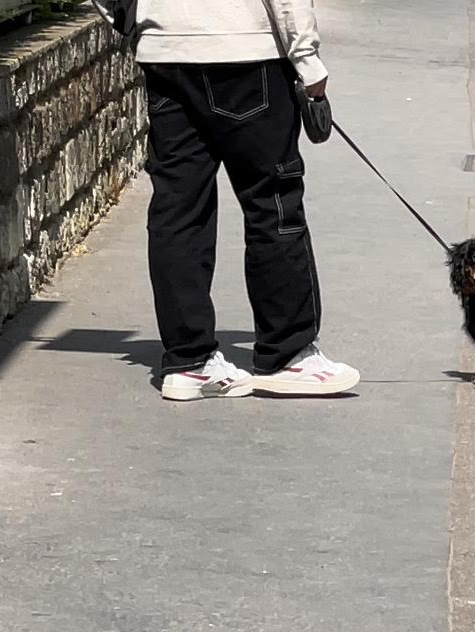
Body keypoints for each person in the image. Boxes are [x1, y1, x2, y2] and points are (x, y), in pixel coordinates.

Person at [92, 0, 360, 401]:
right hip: (246, 53)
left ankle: (188, 360)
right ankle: (288, 354)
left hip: (165, 53)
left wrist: (136, 24)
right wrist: (306, 59)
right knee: (273, 203)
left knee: (179, 208)